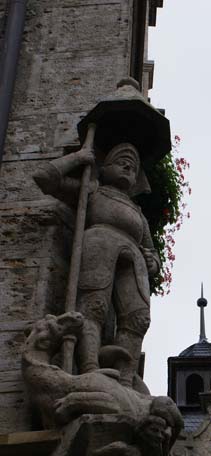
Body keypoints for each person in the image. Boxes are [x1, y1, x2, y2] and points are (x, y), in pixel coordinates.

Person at [34, 141, 159, 387]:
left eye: (133, 167)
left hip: (133, 258)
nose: (128, 168)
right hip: (99, 244)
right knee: (94, 306)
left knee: (139, 318)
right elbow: (44, 177)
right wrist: (79, 157)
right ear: (104, 167)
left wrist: (151, 261)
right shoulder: (92, 190)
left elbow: (153, 254)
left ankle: (125, 380)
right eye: (121, 163)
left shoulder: (138, 213)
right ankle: (90, 366)